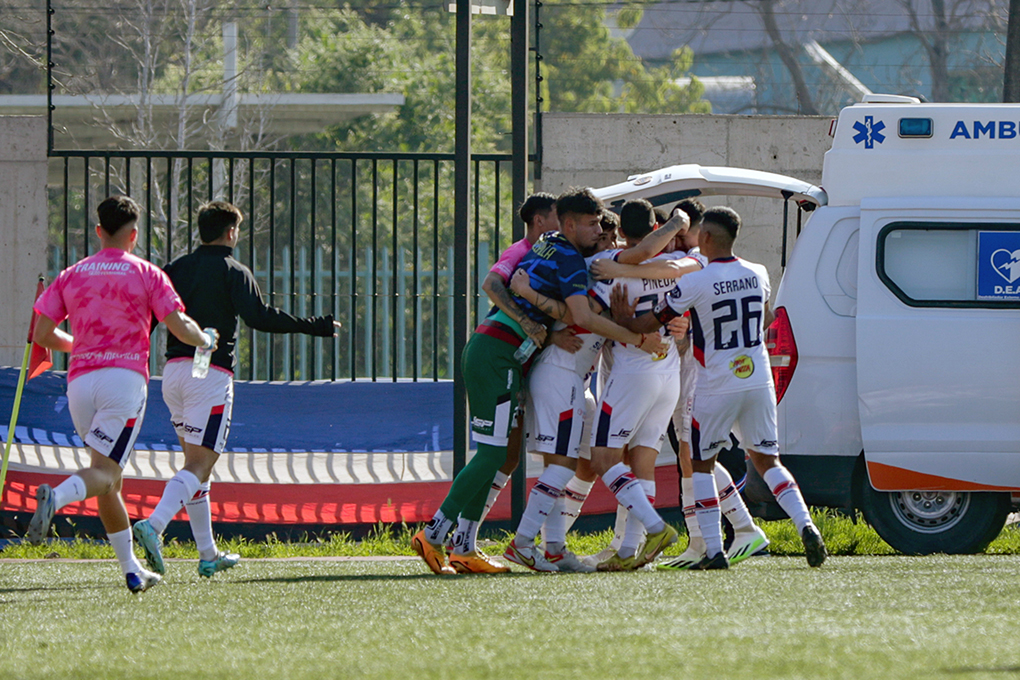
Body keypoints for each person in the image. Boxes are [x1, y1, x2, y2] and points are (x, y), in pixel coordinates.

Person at [412, 187, 665, 575]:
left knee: (509, 456)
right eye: (594, 226)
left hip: (512, 356)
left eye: (604, 228)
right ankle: (437, 534)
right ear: (567, 225)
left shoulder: (550, 244)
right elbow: (572, 308)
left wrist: (544, 320)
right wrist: (636, 337)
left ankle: (469, 544)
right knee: (501, 455)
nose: (600, 233)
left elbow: (536, 291)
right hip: (499, 353)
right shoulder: (572, 257)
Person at [609, 206, 827, 569]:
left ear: (706, 238)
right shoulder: (758, 273)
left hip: (716, 383)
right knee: (768, 461)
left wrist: (623, 320)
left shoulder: (694, 281)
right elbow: (768, 318)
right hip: (756, 379)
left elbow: (654, 319)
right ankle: (806, 525)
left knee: (699, 464)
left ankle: (713, 550)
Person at [131, 201, 339, 579]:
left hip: (174, 374)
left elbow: (150, 315)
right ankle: (155, 525)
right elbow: (259, 317)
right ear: (230, 232)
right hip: (210, 376)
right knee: (199, 465)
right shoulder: (233, 270)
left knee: (197, 470)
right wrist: (314, 326)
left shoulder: (175, 269)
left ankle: (208, 554)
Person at [27, 195, 215, 593]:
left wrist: (78, 344)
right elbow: (178, 325)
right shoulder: (146, 273)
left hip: (79, 384)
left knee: (109, 481)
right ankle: (55, 498)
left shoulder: (71, 274)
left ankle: (132, 569)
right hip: (123, 382)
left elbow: (42, 334)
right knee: (106, 473)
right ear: (134, 235)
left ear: (98, 231)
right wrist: (204, 340)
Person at [504, 199, 688, 572]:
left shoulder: (617, 265)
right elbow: (581, 315)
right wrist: (639, 335)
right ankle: (522, 543)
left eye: (609, 236)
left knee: (585, 464)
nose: (607, 244)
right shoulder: (597, 267)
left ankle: (555, 546)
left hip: (578, 378)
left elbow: (636, 259)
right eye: (598, 235)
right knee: (563, 465)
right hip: (560, 373)